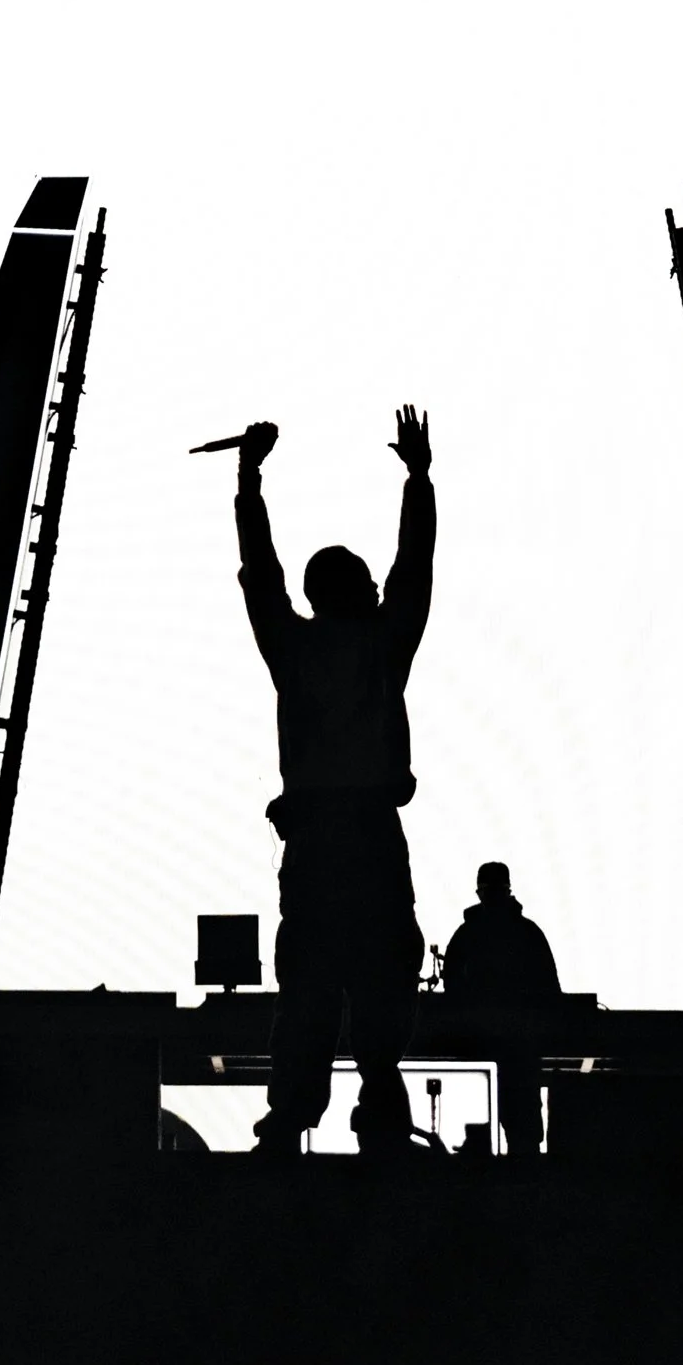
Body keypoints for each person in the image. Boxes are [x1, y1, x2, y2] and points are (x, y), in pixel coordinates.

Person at [235, 409, 434, 1156]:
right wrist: (418, 482)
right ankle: (378, 1110)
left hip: (317, 838)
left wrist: (249, 484)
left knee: (310, 983)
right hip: (370, 834)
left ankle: (290, 1117)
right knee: (382, 976)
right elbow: (415, 567)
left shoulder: (293, 648)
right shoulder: (384, 646)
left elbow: (261, 574)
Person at [440, 861, 561, 1155]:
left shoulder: (466, 935)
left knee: (489, 1123)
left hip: (479, 1042)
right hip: (520, 1044)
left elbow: (450, 985)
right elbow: (550, 990)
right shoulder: (528, 933)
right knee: (523, 1129)